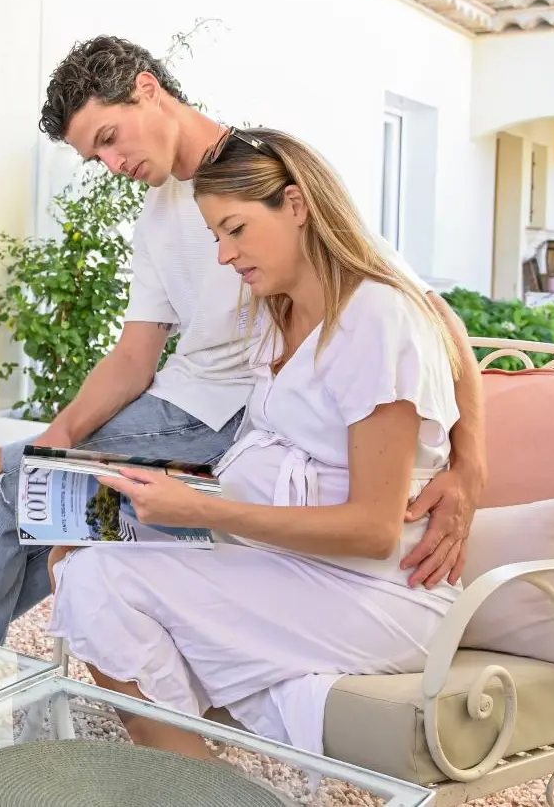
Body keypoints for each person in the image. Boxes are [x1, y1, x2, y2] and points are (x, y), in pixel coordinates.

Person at [0, 35, 485, 646]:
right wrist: (63, 432)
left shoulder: (262, 176)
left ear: (147, 90)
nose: (112, 164)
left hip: (234, 419)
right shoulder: (157, 218)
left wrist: (471, 468)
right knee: (34, 488)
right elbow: (135, 356)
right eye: (94, 156)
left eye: (109, 138)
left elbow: (431, 313)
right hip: (177, 404)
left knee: (9, 479)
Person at [45, 125, 467, 759]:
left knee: (96, 585)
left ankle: (189, 785)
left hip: (374, 588)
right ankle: (190, 775)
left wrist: (203, 512)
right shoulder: (278, 312)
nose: (223, 256)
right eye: (216, 236)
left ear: (296, 206)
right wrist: (160, 502)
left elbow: (376, 531)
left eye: (235, 230)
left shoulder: (377, 318)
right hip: (282, 558)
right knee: (74, 552)